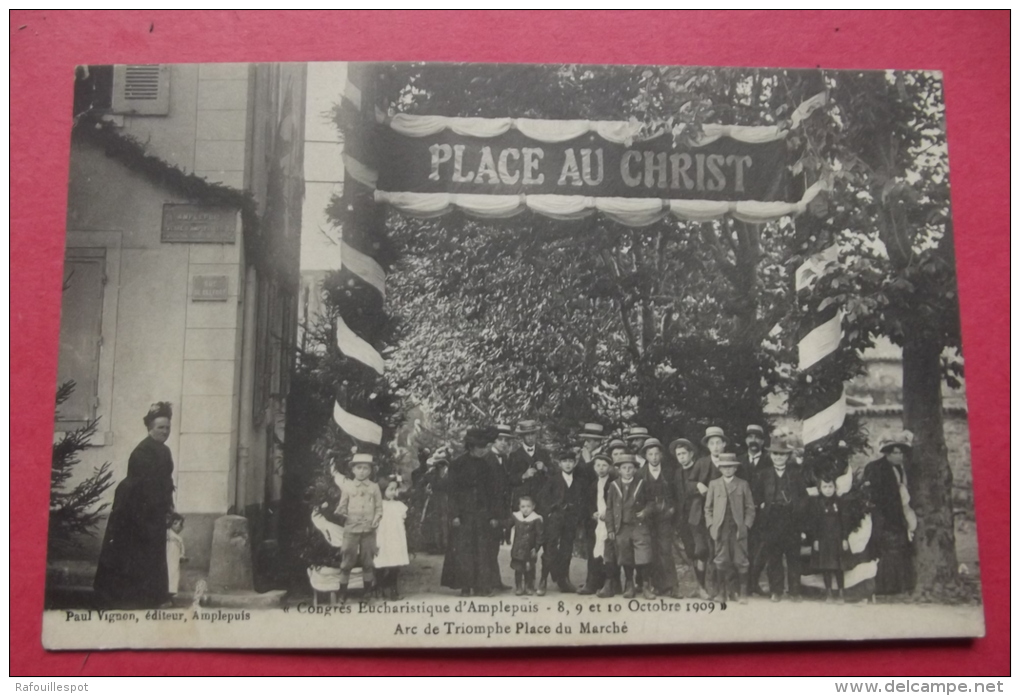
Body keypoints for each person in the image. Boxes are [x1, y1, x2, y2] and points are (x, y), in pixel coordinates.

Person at [94, 402, 177, 609]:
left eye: (167, 427)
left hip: (153, 508)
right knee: (133, 552)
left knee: (154, 552)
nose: (165, 432)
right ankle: (130, 598)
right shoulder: (142, 452)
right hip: (133, 509)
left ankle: (154, 597)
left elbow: (166, 483)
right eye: (160, 427)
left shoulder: (165, 451)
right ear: (150, 428)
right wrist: (157, 509)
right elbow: (142, 486)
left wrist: (170, 508)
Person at [441, 428, 502, 597]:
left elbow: (492, 493)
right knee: (463, 550)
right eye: (479, 447)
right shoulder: (457, 464)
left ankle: (481, 586)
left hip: (482, 513)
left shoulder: (486, 465)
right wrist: (454, 515)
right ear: (471, 446)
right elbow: (452, 492)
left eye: (484, 447)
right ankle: (465, 586)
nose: (483, 450)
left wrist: (493, 516)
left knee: (482, 550)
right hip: (463, 514)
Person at [753, 437, 808, 601]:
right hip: (772, 519)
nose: (778, 457)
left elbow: (804, 497)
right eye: (775, 454)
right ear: (771, 456)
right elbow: (756, 495)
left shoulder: (795, 474)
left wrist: (798, 509)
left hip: (791, 519)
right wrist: (762, 505)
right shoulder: (764, 474)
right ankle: (776, 591)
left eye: (781, 454)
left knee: (793, 557)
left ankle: (794, 591)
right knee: (774, 556)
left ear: (787, 456)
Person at [862, 432, 917, 596]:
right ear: (887, 453)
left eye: (901, 453)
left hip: (898, 515)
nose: (899, 456)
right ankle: (883, 587)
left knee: (899, 548)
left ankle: (899, 585)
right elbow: (873, 494)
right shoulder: (875, 468)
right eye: (895, 453)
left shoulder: (900, 469)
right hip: (882, 516)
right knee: (884, 549)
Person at [704, 453, 756, 604]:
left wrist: (746, 525)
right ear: (719, 468)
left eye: (730, 467)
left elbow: (750, 508)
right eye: (724, 467)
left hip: (738, 528)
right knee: (721, 559)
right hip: (720, 528)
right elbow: (708, 508)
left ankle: (742, 593)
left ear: (735, 468)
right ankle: (722, 593)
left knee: (741, 560)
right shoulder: (714, 484)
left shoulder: (742, 484)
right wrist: (711, 525)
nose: (727, 470)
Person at [605, 454, 654, 600]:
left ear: (635, 470)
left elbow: (651, 502)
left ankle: (646, 586)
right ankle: (629, 585)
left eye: (630, 468)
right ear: (619, 470)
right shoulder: (614, 486)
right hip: (622, 526)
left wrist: (645, 511)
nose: (627, 471)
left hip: (638, 525)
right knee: (625, 556)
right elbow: (609, 509)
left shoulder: (642, 483)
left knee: (644, 554)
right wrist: (610, 529)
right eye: (624, 468)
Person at [336, 453, 383, 603]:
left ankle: (367, 593)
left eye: (365, 468)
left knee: (368, 561)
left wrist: (376, 519)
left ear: (370, 471)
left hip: (369, 529)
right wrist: (342, 513)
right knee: (347, 560)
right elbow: (342, 506)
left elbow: (379, 508)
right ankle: (342, 593)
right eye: (359, 467)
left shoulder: (374, 487)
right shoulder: (348, 487)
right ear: (353, 470)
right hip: (351, 529)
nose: (362, 471)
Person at [537, 450, 586, 594]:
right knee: (550, 548)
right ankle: (543, 580)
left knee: (567, 549)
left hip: (571, 519)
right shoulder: (553, 479)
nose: (568, 464)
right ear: (559, 464)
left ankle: (564, 580)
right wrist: (550, 512)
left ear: (575, 463)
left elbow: (583, 500)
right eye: (565, 461)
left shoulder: (578, 481)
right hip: (555, 519)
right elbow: (542, 498)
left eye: (571, 461)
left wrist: (578, 515)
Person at [671, 438, 712, 598]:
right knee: (691, 552)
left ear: (691, 453)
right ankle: (699, 586)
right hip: (683, 519)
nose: (681, 457)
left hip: (699, 517)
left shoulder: (701, 469)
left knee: (701, 550)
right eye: (678, 454)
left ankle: (705, 587)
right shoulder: (677, 473)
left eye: (683, 453)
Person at [639, 438, 680, 597]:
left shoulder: (670, 472)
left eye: (657, 453)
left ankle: (673, 586)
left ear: (661, 455)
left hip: (665, 516)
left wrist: (672, 509)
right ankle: (655, 586)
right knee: (651, 551)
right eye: (650, 454)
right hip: (648, 517)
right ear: (646, 456)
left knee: (665, 550)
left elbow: (677, 495)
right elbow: (637, 498)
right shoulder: (640, 473)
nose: (654, 457)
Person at [806, 477, 850, 603]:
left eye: (830, 486)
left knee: (838, 567)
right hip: (823, 539)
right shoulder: (816, 503)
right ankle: (829, 592)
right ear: (820, 489)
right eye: (825, 487)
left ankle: (841, 593)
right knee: (826, 567)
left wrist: (844, 539)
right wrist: (815, 540)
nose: (828, 490)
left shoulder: (840, 502)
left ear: (835, 488)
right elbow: (814, 523)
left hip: (837, 538)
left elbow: (844, 522)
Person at [580, 453, 616, 596]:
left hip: (610, 522)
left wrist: (608, 514)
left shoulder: (614, 483)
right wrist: (593, 513)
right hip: (596, 523)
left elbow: (616, 504)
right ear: (594, 468)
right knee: (594, 551)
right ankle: (592, 583)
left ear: (610, 467)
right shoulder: (593, 485)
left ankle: (609, 583)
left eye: (604, 465)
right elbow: (589, 504)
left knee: (608, 552)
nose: (601, 469)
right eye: (598, 465)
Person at [375, 477, 410, 600]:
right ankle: (379, 589)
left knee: (395, 565)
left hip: (395, 539)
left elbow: (404, 520)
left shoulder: (399, 505)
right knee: (380, 564)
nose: (394, 492)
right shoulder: (378, 505)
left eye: (395, 489)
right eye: (390, 489)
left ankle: (393, 592)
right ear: (382, 490)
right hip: (383, 538)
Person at [507, 420, 550, 516]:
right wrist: (523, 476)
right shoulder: (515, 455)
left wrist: (545, 468)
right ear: (522, 437)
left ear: (536, 435)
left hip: (540, 502)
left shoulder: (544, 453)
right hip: (523, 503)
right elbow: (510, 479)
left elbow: (554, 475)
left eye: (532, 434)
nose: (530, 437)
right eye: (527, 435)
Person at [509, 495, 544, 596]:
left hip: (530, 549)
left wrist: (536, 548)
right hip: (518, 549)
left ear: (533, 507)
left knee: (529, 569)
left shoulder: (536, 519)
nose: (525, 509)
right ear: (519, 507)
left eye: (528, 506)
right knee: (518, 569)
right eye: (523, 506)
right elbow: (508, 524)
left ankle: (529, 586)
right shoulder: (516, 517)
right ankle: (519, 586)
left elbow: (540, 535)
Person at [166, 513, 186, 597]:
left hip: (174, 560)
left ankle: (172, 596)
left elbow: (182, 549)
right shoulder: (167, 534)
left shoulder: (179, 539)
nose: (178, 526)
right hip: (167, 558)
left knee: (174, 575)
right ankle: (167, 595)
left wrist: (182, 556)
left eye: (180, 524)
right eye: (175, 523)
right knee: (168, 574)